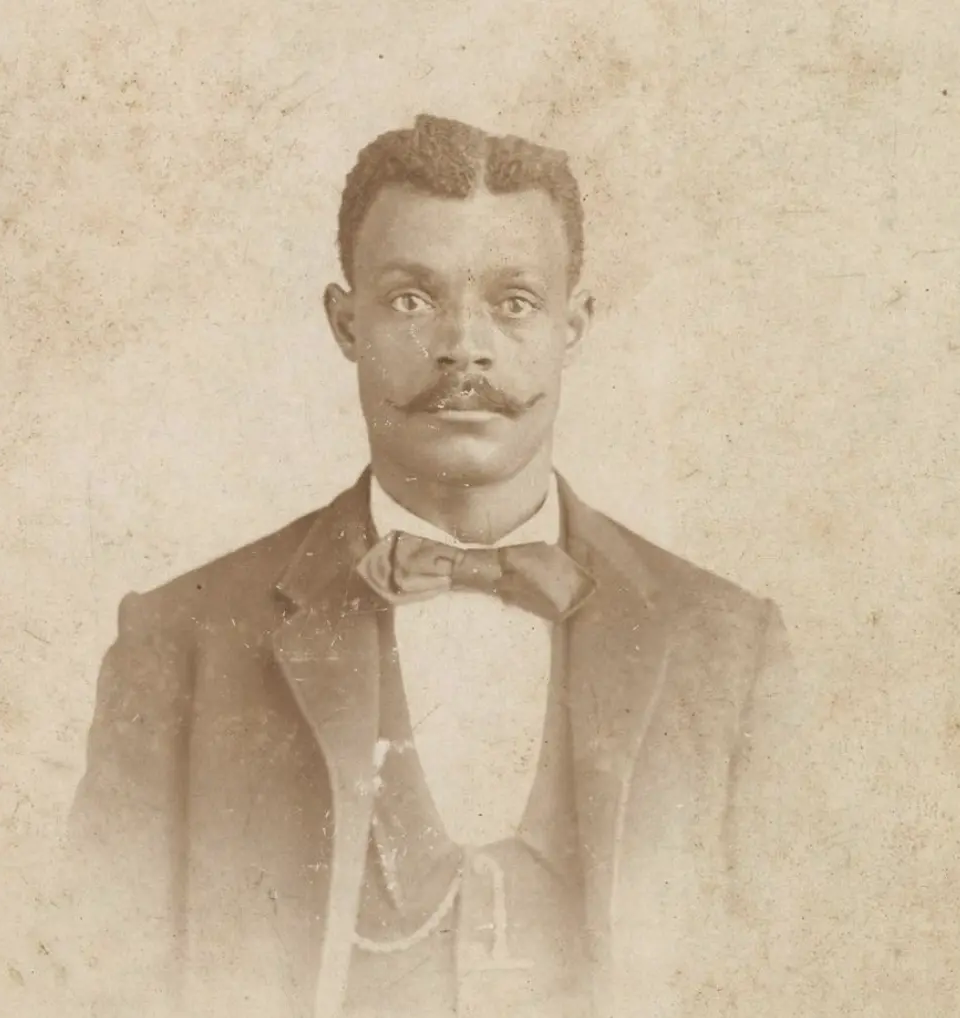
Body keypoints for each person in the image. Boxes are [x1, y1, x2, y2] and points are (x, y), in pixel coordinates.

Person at [69, 114, 797, 1018]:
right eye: (413, 299)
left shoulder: (727, 645)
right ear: (345, 323)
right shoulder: (182, 640)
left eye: (514, 302)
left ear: (575, 324)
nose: (464, 346)